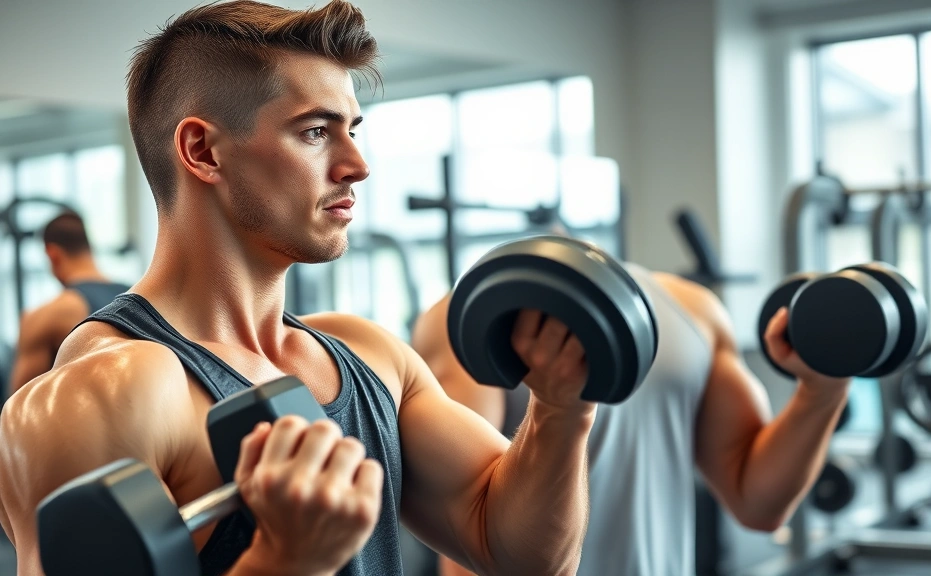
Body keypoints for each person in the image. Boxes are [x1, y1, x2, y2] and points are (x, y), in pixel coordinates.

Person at [0, 3, 597, 575]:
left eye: (352, 130)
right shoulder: (106, 393)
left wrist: (561, 407)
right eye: (315, 131)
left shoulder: (368, 355)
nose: (357, 164)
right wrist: (285, 561)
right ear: (202, 151)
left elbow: (519, 554)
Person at [414, 253, 852, 576]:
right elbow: (469, 539)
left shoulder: (693, 309)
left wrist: (823, 390)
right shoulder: (468, 321)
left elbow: (758, 502)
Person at [8, 212, 132, 395]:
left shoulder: (49, 314)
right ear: (88, 248)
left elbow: (18, 404)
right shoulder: (140, 295)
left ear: (52, 254)